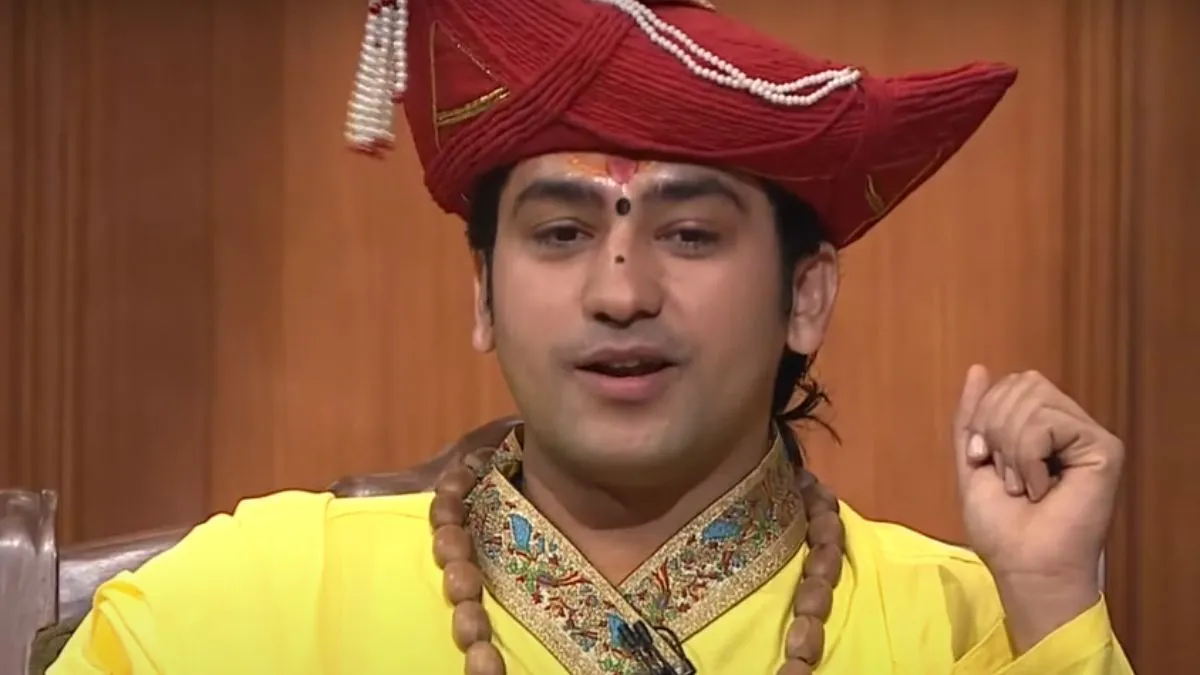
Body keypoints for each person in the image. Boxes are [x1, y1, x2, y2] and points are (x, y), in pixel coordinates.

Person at [50, 0, 1133, 673]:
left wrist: (1052, 600)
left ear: (805, 295)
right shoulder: (247, 606)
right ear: (484, 292)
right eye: (562, 233)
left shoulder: (966, 625)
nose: (621, 290)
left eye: (691, 233)